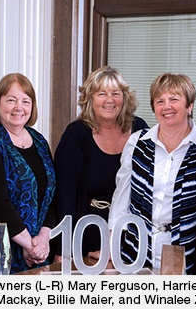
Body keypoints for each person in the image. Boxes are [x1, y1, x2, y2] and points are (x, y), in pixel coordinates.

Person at [107, 73, 196, 274]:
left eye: (174, 99)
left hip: (184, 248)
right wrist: (111, 242)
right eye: (160, 101)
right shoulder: (137, 142)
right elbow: (122, 195)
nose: (166, 106)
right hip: (137, 246)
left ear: (190, 105)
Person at [53, 65, 148, 260]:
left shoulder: (140, 129)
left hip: (129, 234)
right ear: (90, 99)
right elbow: (65, 197)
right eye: (101, 94)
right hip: (87, 232)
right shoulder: (76, 134)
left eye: (116, 93)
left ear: (125, 97)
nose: (109, 100)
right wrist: (63, 250)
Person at [0, 73, 56, 274]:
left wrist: (43, 240)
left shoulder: (39, 140)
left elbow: (52, 193)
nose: (18, 107)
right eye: (11, 100)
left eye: (25, 101)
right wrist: (29, 245)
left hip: (41, 251)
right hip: (1, 252)